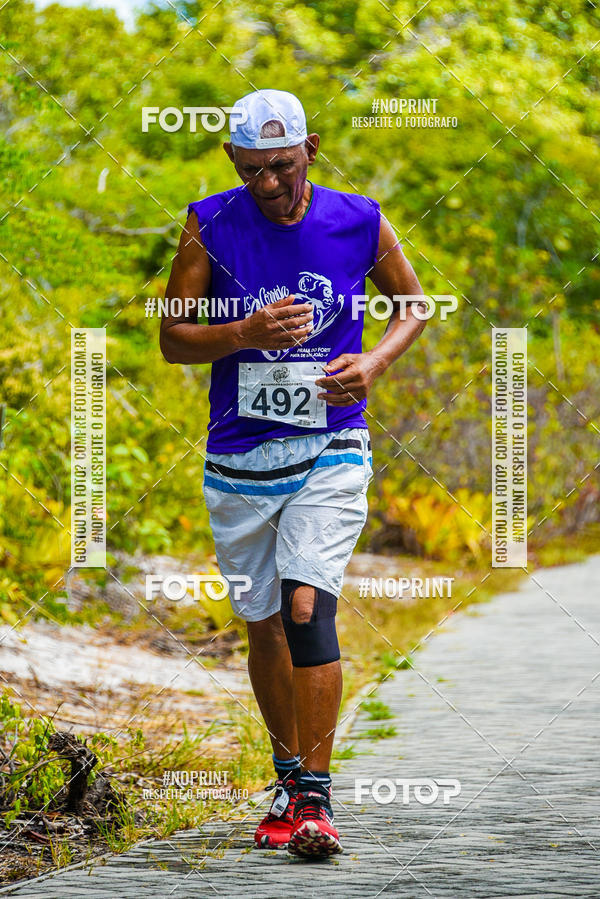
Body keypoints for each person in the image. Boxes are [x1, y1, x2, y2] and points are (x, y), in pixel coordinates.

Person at [160, 88, 426, 858]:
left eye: (283, 165)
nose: (270, 184)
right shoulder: (208, 223)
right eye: (253, 171)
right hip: (239, 455)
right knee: (265, 620)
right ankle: (285, 778)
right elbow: (172, 338)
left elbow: (414, 305)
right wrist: (243, 331)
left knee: (307, 605)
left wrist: (373, 363)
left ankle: (315, 795)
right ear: (231, 160)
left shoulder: (359, 218)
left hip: (329, 444)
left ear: (310, 149)